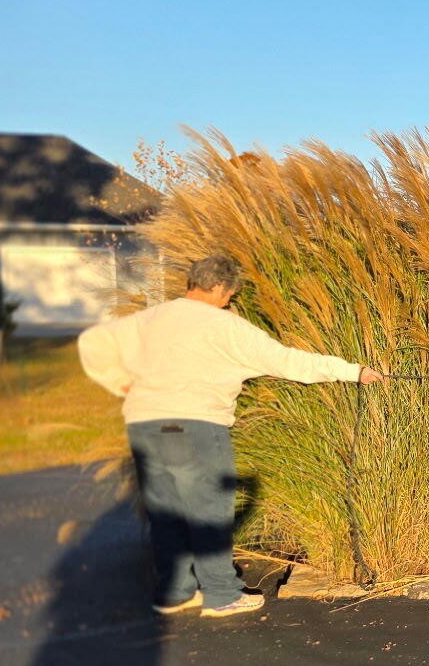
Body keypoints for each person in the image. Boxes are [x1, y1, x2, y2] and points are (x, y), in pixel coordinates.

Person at [78, 255, 382, 618]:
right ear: (220, 287)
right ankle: (222, 595)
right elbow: (289, 362)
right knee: (209, 509)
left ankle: (174, 592)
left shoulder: (150, 319)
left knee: (166, 512)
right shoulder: (227, 327)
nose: (229, 302)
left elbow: (92, 342)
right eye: (229, 295)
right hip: (196, 425)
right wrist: (353, 371)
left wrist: (120, 383)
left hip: (144, 424)